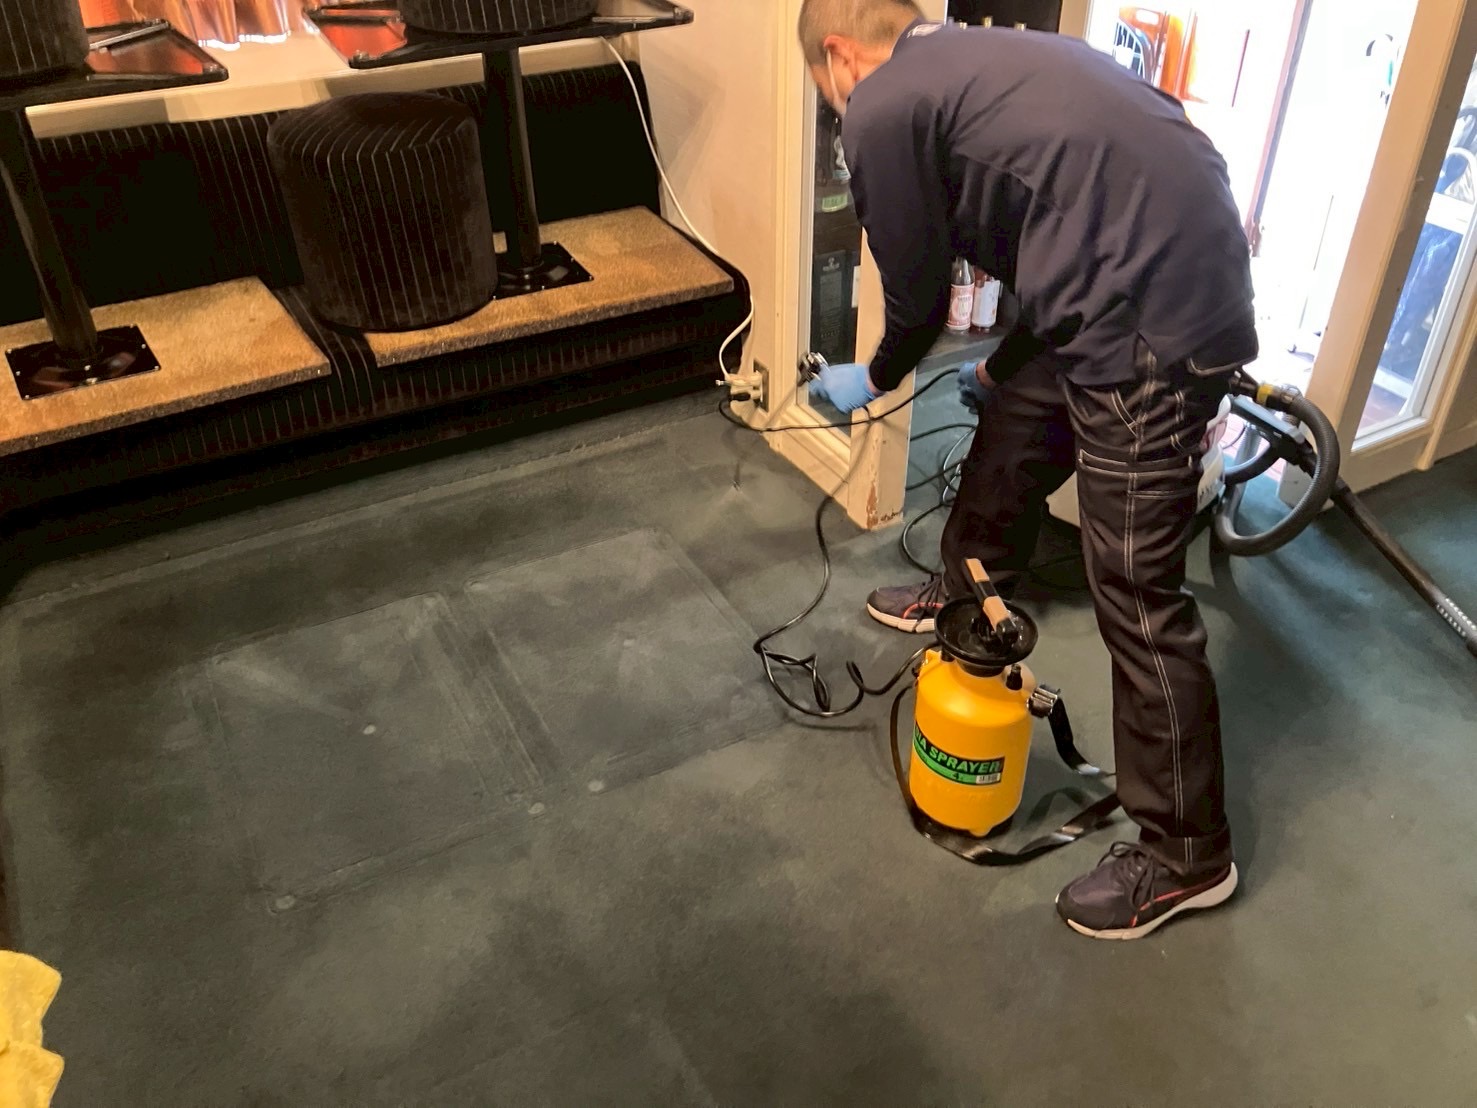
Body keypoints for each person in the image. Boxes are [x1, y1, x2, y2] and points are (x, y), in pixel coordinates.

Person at [799, 0, 1258, 940]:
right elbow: (1056, 226)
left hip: (1152, 318)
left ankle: (1188, 854)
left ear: (839, 54)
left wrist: (873, 377)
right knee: (1013, 423)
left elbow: (917, 293)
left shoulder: (883, 102)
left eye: (826, 89)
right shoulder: (981, 60)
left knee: (1134, 584)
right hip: (1153, 263)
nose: (838, 107)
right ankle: (968, 593)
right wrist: (1001, 366)